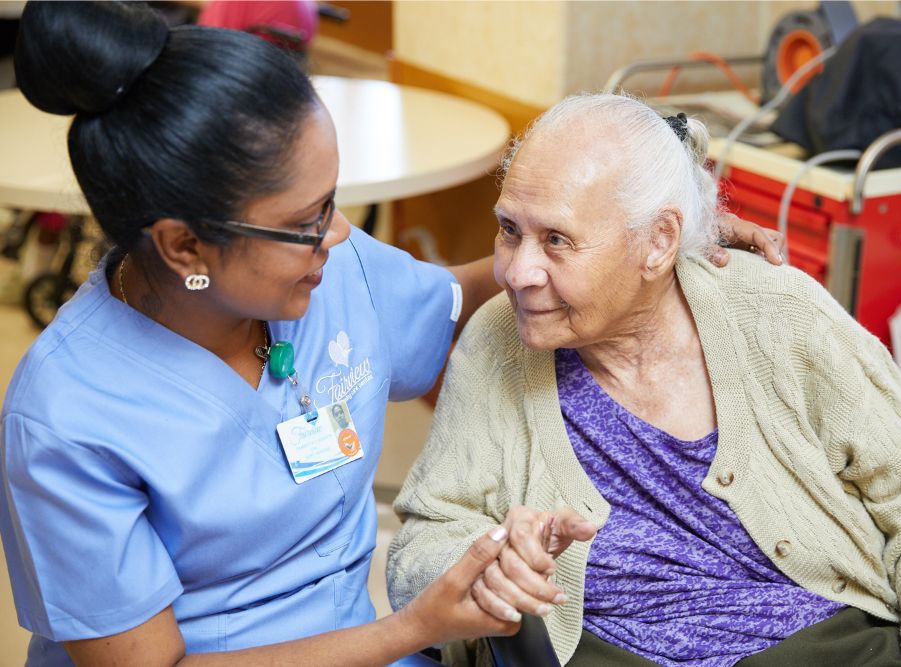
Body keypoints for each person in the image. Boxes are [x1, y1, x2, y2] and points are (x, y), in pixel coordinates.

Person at [0, 4, 782, 666]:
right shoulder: (68, 418)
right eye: (305, 223)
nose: (340, 236)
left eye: (332, 200)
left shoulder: (331, 276)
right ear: (183, 247)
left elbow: (472, 293)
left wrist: (652, 252)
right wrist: (412, 627)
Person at [387, 93, 901, 667]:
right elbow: (420, 548)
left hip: (818, 644)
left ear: (658, 242)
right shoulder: (499, 340)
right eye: (510, 230)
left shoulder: (778, 313)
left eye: (557, 241)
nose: (517, 272)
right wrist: (492, 560)